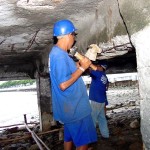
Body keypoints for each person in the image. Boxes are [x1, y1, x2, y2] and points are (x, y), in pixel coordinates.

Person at [49, 19, 97, 150]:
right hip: (75, 109)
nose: (74, 39)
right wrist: (82, 69)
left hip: (68, 110)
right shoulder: (59, 55)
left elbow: (65, 72)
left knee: (69, 138)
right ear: (69, 35)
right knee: (83, 143)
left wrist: (78, 65)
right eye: (74, 35)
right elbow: (63, 85)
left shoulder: (60, 54)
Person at [89, 61, 109, 139]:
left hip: (96, 100)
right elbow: (106, 86)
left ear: (102, 67)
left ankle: (91, 138)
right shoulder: (104, 76)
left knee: (92, 119)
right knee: (102, 118)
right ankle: (105, 135)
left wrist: (89, 64)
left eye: (98, 66)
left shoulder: (99, 73)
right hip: (101, 100)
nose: (97, 67)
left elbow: (90, 70)